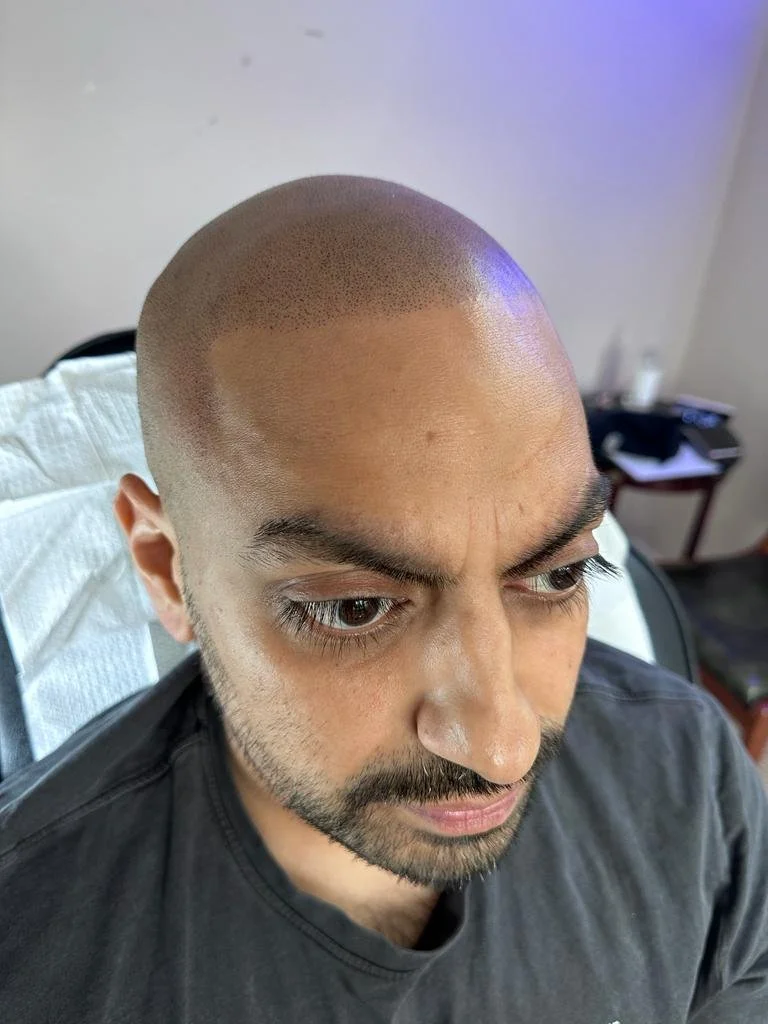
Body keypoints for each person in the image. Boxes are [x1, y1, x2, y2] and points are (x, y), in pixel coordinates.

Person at [1, 176, 766, 1023]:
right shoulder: (32, 951)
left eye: (554, 577)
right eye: (356, 608)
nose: (504, 748)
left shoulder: (687, 772)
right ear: (163, 565)